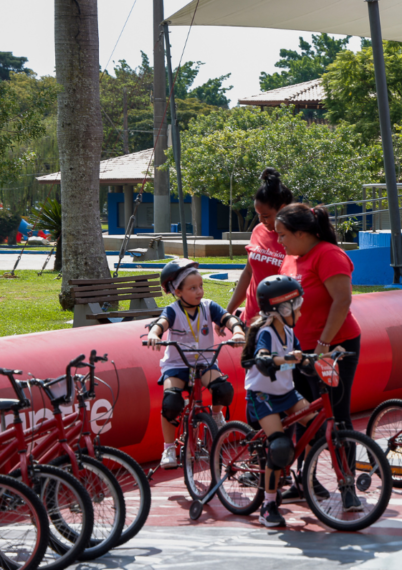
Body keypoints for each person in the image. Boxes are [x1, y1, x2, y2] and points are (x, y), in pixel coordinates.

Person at [242, 274, 360, 527]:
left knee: (319, 427)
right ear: (281, 310)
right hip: (263, 396)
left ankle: (303, 478)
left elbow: (304, 361)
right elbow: (263, 357)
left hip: (286, 393)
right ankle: (268, 505)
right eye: (296, 307)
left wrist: (326, 356)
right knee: (279, 447)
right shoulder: (265, 333)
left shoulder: (288, 331)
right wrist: (282, 359)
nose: (301, 312)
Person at [274, 203, 362, 501]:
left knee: (336, 415)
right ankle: (305, 481)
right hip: (299, 350)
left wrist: (324, 344)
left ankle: (346, 484)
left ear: (301, 233)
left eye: (283, 235)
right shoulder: (291, 258)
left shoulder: (328, 255)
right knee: (303, 414)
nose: (279, 241)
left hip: (333, 346)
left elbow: (342, 300)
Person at [147, 258, 246, 469]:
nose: (199, 291)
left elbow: (228, 318)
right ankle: (168, 448)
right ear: (177, 292)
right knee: (171, 403)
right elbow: (160, 324)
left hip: (205, 362)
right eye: (193, 288)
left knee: (224, 390)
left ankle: (216, 415)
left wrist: (237, 331)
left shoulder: (209, 307)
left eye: (201, 286)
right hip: (177, 365)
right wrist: (154, 334)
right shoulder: (173, 310)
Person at [227, 167, 295, 325]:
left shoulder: (297, 239)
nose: (261, 221)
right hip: (250, 320)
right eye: (258, 215)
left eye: (266, 216)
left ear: (282, 208)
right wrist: (228, 312)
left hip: (280, 326)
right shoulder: (258, 231)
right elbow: (248, 272)